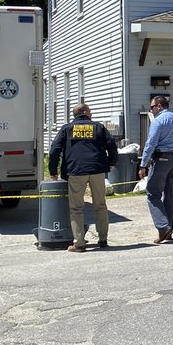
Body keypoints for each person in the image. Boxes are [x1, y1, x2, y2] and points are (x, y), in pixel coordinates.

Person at [48, 103, 118, 252]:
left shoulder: (67, 129)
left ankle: (79, 243)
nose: (91, 114)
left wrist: (53, 170)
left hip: (76, 171)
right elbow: (112, 145)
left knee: (76, 208)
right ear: (85, 112)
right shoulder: (98, 127)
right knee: (100, 205)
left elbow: (54, 150)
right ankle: (103, 239)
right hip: (97, 170)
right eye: (90, 111)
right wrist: (111, 163)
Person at [137, 95, 173, 243]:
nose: (151, 110)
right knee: (170, 196)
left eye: (152, 107)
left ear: (159, 106)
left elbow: (150, 144)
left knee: (153, 194)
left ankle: (163, 227)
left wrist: (143, 164)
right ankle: (169, 231)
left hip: (162, 159)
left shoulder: (158, 121)